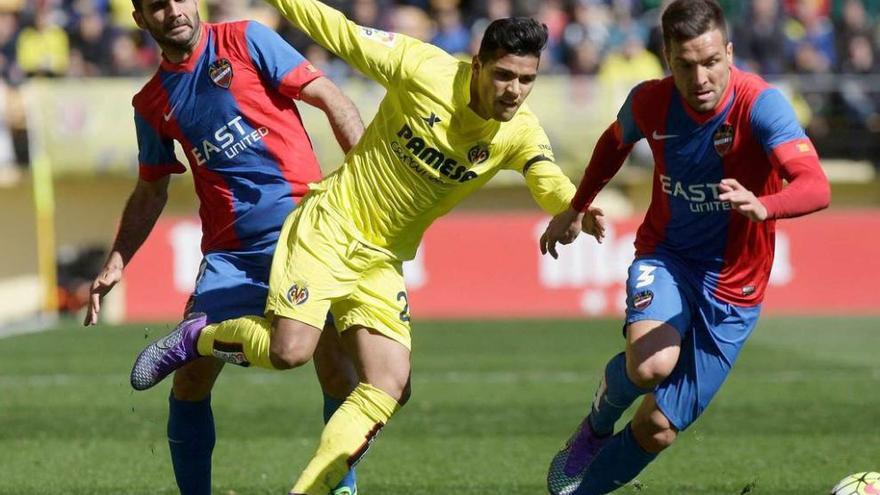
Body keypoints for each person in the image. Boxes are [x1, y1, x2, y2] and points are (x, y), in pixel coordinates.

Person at [127, 0, 603, 492]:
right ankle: (196, 339)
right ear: (477, 64)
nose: (515, 92)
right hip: (329, 228)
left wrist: (573, 206)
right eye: (505, 76)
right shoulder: (424, 69)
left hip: (380, 259)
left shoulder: (520, 131)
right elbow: (340, 31)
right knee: (291, 352)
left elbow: (545, 177)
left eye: (527, 80)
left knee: (389, 385)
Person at [541, 1, 831, 494]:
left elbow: (815, 184)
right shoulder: (649, 102)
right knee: (651, 363)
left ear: (729, 52)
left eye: (711, 61)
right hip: (667, 255)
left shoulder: (760, 104)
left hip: (737, 285)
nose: (700, 77)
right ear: (668, 60)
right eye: (686, 64)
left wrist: (767, 205)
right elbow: (614, 144)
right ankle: (594, 427)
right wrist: (577, 204)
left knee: (658, 428)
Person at [84, 0, 365, 494]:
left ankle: (342, 489)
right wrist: (118, 257)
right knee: (190, 382)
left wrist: (365, 181)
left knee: (336, 368)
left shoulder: (247, 38)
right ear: (141, 20)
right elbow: (152, 187)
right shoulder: (150, 103)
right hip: (229, 254)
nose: (173, 11)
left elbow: (331, 97)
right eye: (157, 5)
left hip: (305, 231)